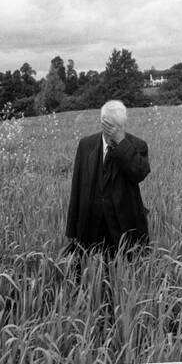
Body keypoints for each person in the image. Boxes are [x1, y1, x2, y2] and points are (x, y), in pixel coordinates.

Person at [65, 100, 150, 256]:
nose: (115, 132)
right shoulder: (86, 145)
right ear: (102, 124)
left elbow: (139, 173)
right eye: (111, 127)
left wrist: (120, 142)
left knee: (125, 269)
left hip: (124, 226)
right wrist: (72, 231)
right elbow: (76, 188)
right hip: (91, 225)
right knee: (89, 270)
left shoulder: (137, 145)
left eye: (120, 127)